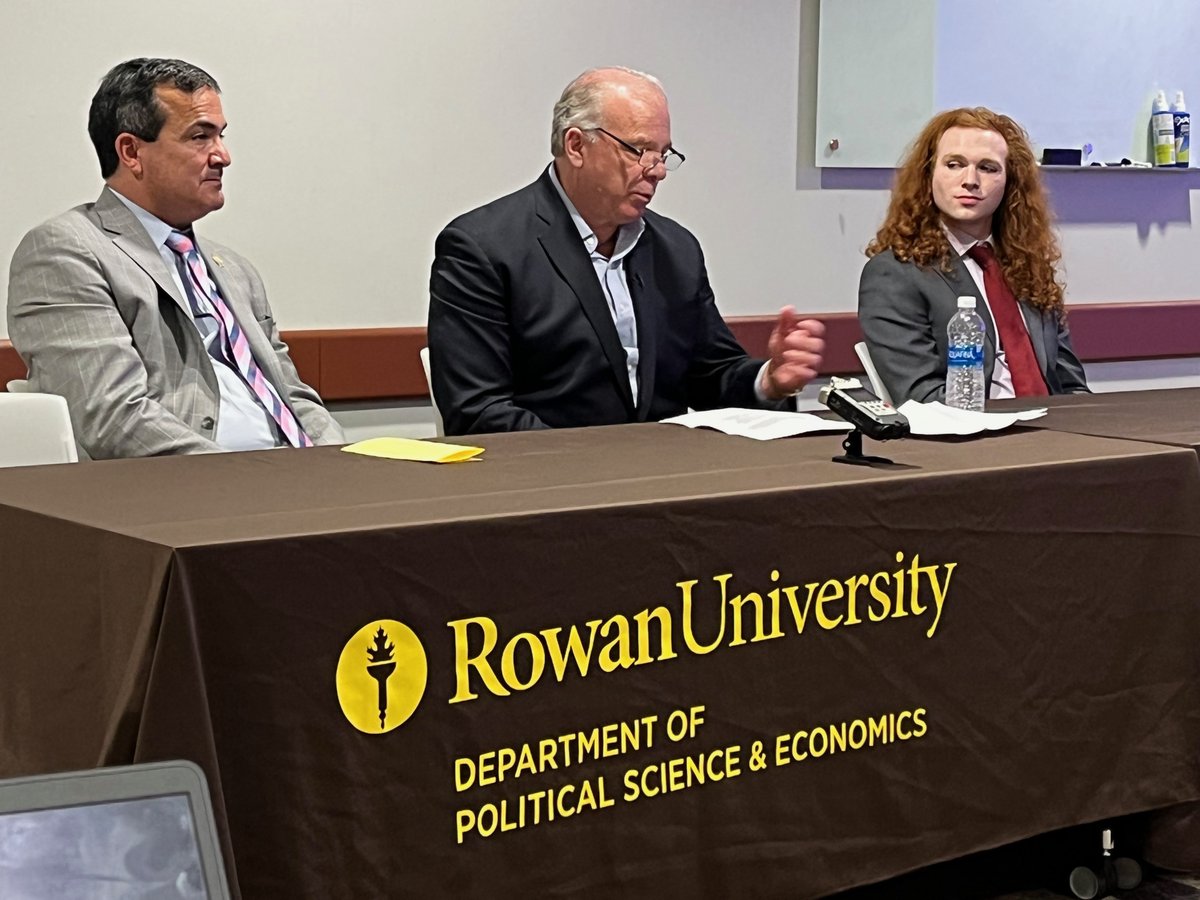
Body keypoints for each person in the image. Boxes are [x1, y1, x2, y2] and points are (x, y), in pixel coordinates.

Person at [427, 66, 825, 436]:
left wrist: (769, 381)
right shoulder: (482, 248)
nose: (658, 170)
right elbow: (478, 412)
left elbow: (711, 378)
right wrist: (603, 467)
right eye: (639, 150)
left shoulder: (675, 250)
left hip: (663, 489)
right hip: (547, 491)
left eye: (664, 153)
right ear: (577, 146)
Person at [7, 58, 343, 459]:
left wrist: (340, 461)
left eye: (220, 136)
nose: (223, 156)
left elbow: (291, 393)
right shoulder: (67, 251)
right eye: (200, 137)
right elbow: (114, 417)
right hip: (194, 492)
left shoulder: (232, 268)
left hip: (296, 479)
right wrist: (250, 478)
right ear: (131, 151)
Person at [857, 107, 1088, 405]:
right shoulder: (894, 272)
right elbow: (921, 396)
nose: (970, 180)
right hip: (975, 439)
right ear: (929, 176)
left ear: (1009, 184)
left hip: (1058, 432)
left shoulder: (1027, 266)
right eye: (954, 164)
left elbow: (1070, 384)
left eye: (988, 168)